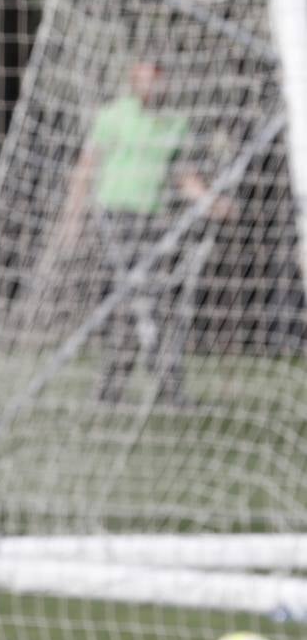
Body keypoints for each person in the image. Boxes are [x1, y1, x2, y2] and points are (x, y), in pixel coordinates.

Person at [64, 57, 231, 404]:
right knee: (124, 307)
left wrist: (212, 203)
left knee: (159, 305)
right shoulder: (113, 116)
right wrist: (73, 217)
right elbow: (86, 168)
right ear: (132, 79)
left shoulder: (174, 124)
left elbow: (184, 177)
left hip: (152, 223)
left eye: (155, 79)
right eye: (142, 78)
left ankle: (170, 386)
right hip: (115, 221)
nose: (149, 86)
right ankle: (112, 387)